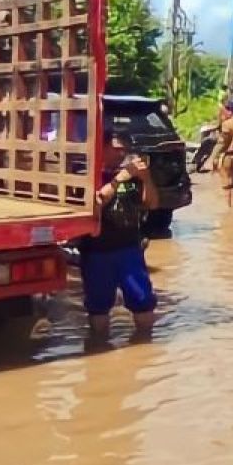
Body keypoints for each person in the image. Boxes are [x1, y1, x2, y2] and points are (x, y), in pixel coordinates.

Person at [81, 129, 158, 338]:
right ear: (102, 148)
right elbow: (94, 205)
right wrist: (118, 179)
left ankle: (145, 349)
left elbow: (152, 203)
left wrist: (146, 178)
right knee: (98, 307)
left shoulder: (133, 175)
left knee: (143, 302)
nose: (121, 154)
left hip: (128, 248)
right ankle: (99, 348)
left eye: (124, 150)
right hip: (97, 251)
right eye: (116, 149)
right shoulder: (89, 174)